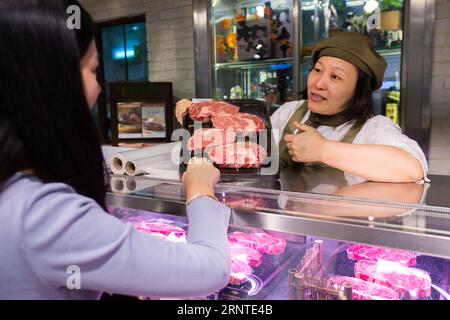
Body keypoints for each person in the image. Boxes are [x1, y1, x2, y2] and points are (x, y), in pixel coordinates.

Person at [0, 1, 230, 299]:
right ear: (53, 81)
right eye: (94, 70)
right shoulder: (44, 215)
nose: (98, 88)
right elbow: (212, 270)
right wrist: (199, 188)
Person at [176, 32, 428, 183]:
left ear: (358, 89)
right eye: (317, 70)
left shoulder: (373, 128)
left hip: (340, 237)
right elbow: (241, 147)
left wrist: (324, 150)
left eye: (335, 77)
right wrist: (197, 120)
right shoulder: (291, 112)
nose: (319, 83)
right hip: (287, 226)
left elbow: (411, 168)